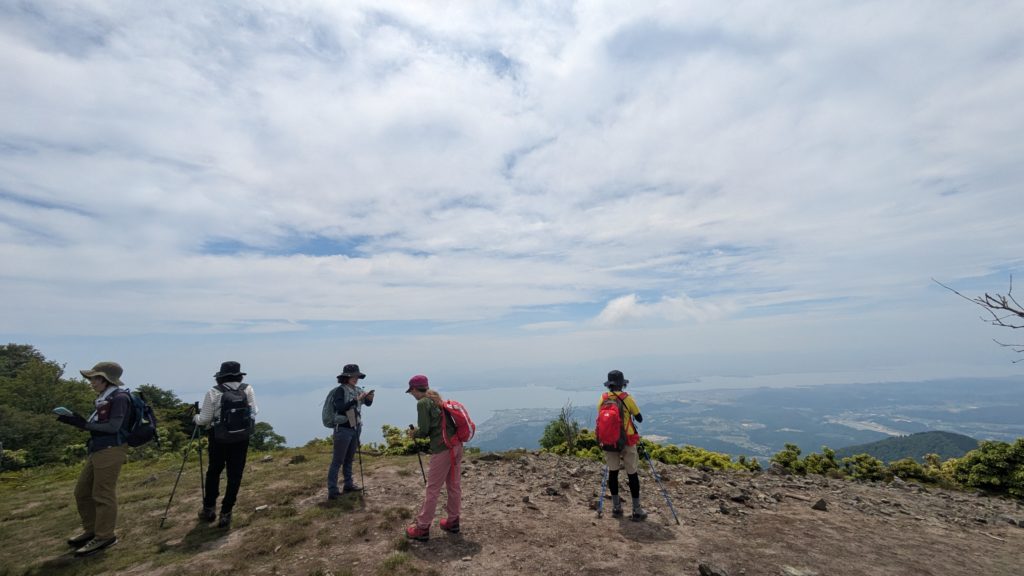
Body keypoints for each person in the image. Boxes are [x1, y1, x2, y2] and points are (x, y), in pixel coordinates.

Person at [55, 361, 131, 556]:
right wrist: (77, 421)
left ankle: (105, 536)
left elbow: (114, 427)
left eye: (94, 378)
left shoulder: (120, 398)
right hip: (98, 448)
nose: (91, 382)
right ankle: (91, 530)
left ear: (105, 379)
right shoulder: (103, 397)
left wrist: (82, 424)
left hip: (111, 449)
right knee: (82, 491)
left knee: (102, 493)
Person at [194, 361, 258, 528]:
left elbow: (205, 419)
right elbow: (254, 411)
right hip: (241, 438)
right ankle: (226, 512)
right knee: (235, 475)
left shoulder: (214, 392)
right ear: (239, 375)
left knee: (214, 471)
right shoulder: (247, 389)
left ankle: (209, 508)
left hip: (219, 437)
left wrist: (195, 418)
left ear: (221, 377)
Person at [405, 374, 462, 541]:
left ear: (415, 389)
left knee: (432, 488)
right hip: (456, 446)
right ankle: (453, 521)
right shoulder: (436, 398)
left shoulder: (423, 402)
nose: (412, 395)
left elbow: (424, 430)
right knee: (454, 485)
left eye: (411, 392)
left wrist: (414, 432)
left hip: (442, 449)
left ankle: (422, 528)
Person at [599, 369, 647, 521]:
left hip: (609, 441)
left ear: (609, 385)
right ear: (622, 384)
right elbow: (639, 418)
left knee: (613, 473)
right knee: (632, 474)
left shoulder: (603, 398)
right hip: (627, 440)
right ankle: (637, 509)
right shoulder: (627, 398)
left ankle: (616, 507)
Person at [323, 364, 374, 499]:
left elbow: (366, 404)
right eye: (353, 376)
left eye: (357, 376)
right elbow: (340, 408)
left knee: (349, 459)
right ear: (346, 377)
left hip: (355, 427)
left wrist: (369, 398)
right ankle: (332, 490)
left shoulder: (357, 390)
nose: (356, 379)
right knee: (338, 460)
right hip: (343, 429)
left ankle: (348, 484)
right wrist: (355, 400)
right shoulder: (340, 391)